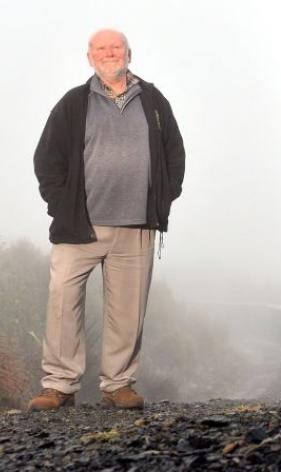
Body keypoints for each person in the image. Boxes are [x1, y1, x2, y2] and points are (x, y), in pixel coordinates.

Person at [29, 28, 185, 411]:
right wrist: (60, 206)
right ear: (89, 57)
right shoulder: (73, 103)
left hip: (136, 226)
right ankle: (59, 386)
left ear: (129, 52)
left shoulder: (153, 100)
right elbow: (45, 160)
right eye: (101, 48)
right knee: (63, 302)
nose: (109, 53)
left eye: (115, 47)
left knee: (128, 313)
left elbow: (175, 154)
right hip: (78, 227)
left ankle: (118, 385)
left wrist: (163, 198)